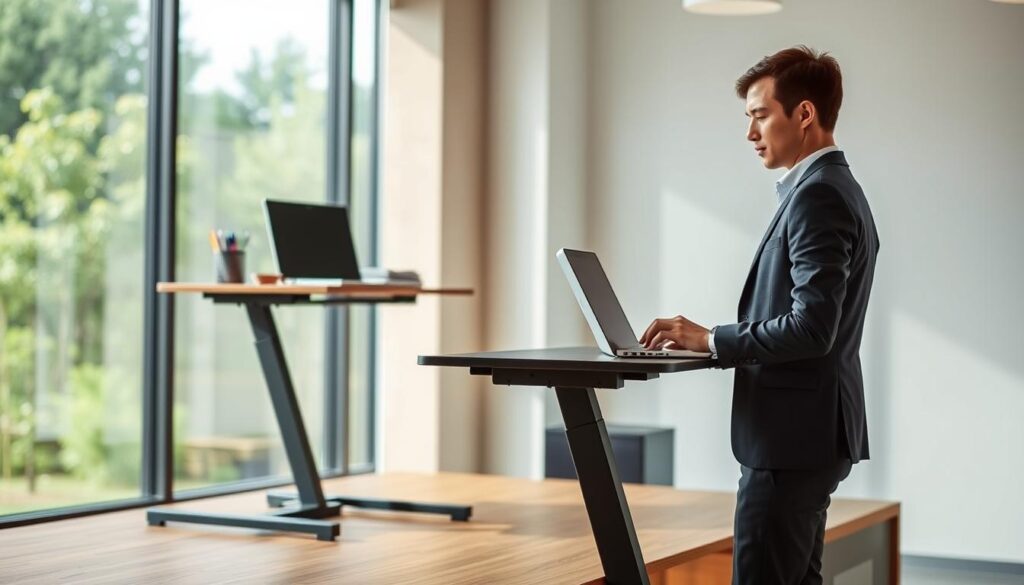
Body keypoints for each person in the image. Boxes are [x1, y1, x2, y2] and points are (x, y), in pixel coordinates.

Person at [638, 46, 880, 585]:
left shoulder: (820, 196)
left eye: (759, 115)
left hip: (792, 439)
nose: (750, 133)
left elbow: (812, 327)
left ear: (804, 114)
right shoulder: (829, 190)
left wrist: (711, 340)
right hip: (806, 435)